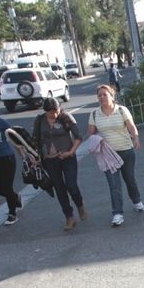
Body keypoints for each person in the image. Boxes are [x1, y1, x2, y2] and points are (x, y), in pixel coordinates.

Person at [88, 84, 144, 227]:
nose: (102, 97)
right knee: (114, 185)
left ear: (112, 96)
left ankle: (136, 200)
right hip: (108, 154)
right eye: (99, 95)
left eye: (104, 94)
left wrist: (136, 137)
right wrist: (97, 141)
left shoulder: (121, 110)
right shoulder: (94, 114)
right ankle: (117, 213)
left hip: (125, 150)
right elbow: (91, 133)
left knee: (129, 179)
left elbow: (131, 126)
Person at [32, 97, 86, 231]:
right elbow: (34, 139)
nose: (54, 115)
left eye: (55, 111)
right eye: (50, 112)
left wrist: (71, 152)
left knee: (71, 185)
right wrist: (34, 156)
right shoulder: (40, 120)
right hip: (49, 159)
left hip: (67, 157)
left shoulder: (66, 117)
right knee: (59, 188)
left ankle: (79, 204)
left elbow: (78, 136)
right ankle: (69, 216)